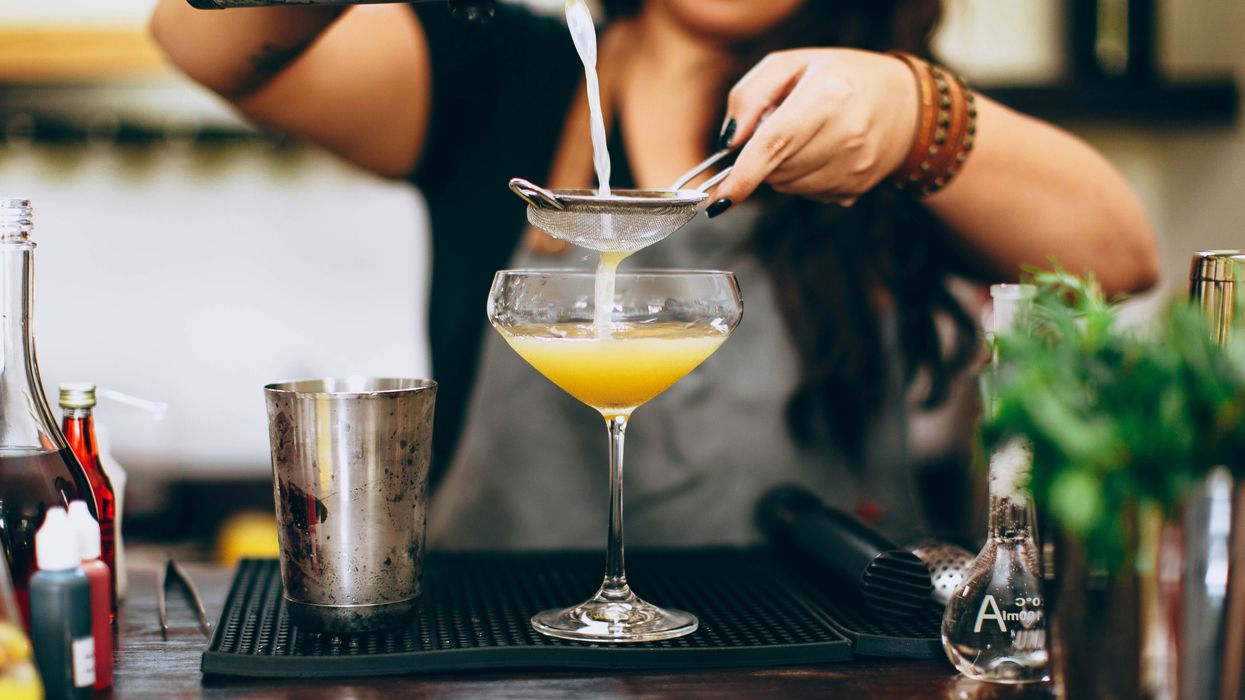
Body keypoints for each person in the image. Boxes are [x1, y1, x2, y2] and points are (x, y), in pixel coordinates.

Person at [150, 0, 1158, 547]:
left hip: (825, 663)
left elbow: (1118, 255)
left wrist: (913, 113)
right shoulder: (500, 75)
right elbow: (198, 38)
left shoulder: (859, 122)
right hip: (508, 660)